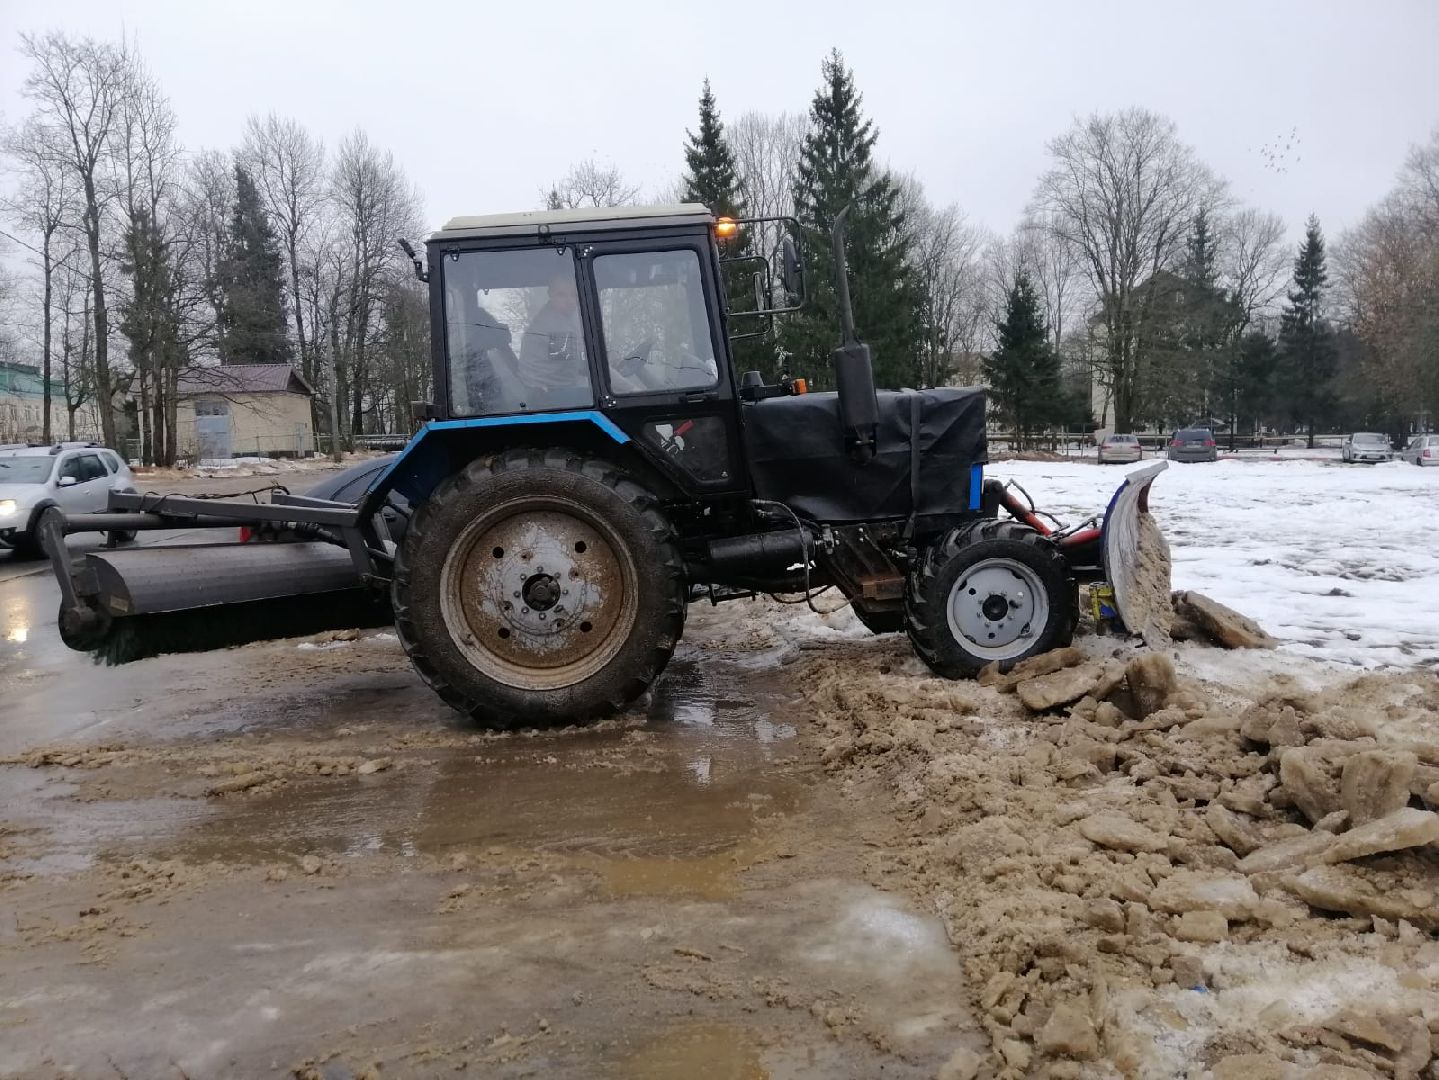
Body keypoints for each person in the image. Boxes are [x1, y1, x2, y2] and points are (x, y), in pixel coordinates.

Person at [518, 267, 591, 408]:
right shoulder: (553, 325)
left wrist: (611, 359)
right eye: (562, 295)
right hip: (542, 394)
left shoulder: (566, 316)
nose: (570, 301)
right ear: (550, 294)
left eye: (574, 295)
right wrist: (630, 388)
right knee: (596, 396)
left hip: (554, 386)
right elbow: (586, 364)